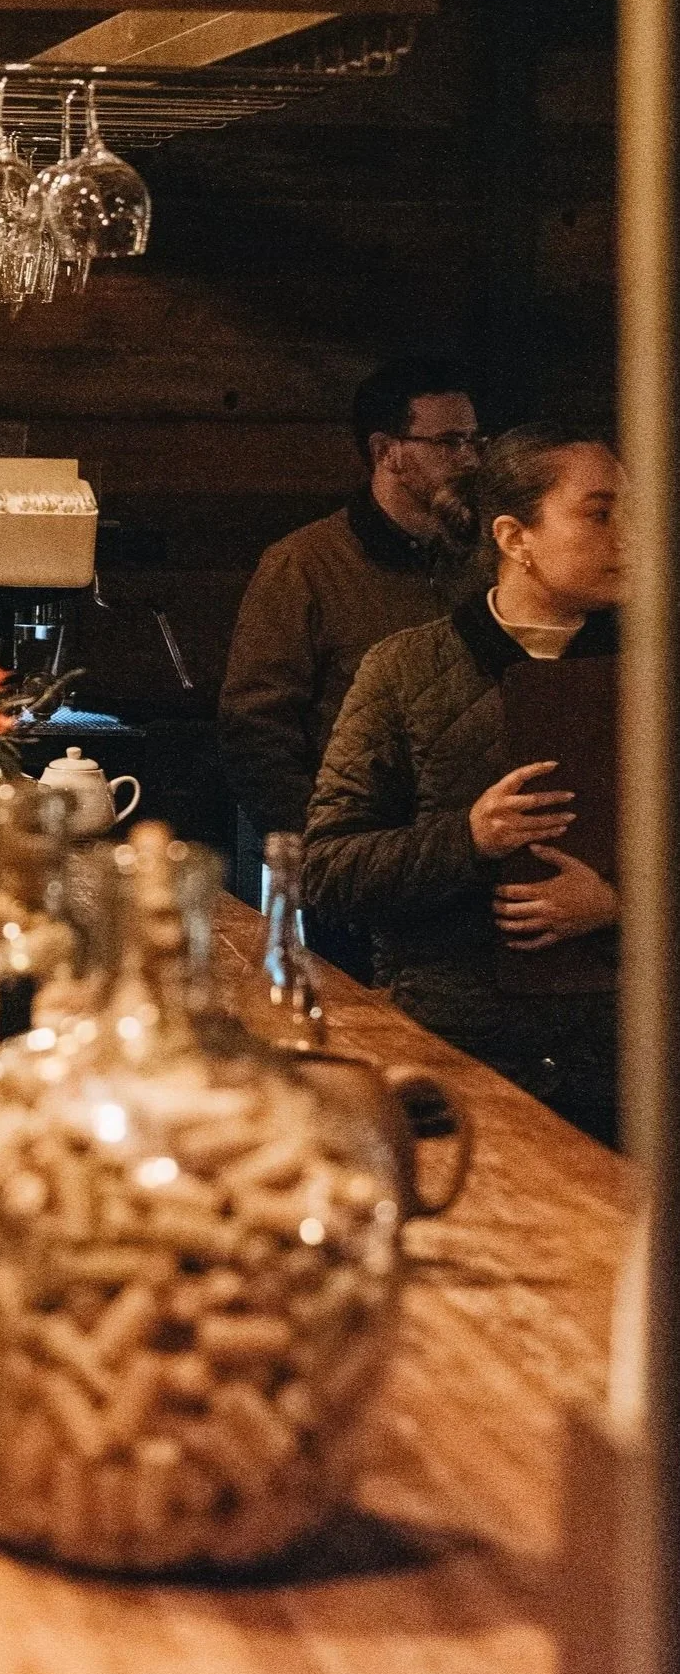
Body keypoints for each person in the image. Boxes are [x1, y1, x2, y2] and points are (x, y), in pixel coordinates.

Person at [302, 426, 624, 1145]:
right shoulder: (404, 670)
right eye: (599, 513)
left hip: (631, 1064)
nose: (628, 535)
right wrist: (469, 839)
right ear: (516, 537)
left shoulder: (659, 669)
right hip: (452, 1051)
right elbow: (328, 867)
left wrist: (619, 902)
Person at [218, 354, 484, 844]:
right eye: (449, 443)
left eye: (473, 441)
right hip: (356, 843)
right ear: (387, 453)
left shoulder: (482, 559)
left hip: (464, 841)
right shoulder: (305, 563)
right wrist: (307, 836)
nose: (469, 459)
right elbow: (256, 722)